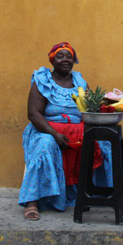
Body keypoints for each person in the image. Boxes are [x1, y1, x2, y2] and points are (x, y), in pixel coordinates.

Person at [19, 42, 112, 221]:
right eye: (60, 56)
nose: (65, 60)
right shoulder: (42, 80)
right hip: (46, 129)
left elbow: (88, 108)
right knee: (45, 145)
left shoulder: (79, 81)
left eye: (68, 56)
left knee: (103, 142)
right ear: (52, 60)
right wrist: (54, 134)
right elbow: (33, 114)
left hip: (75, 129)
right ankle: (32, 202)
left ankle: (94, 192)